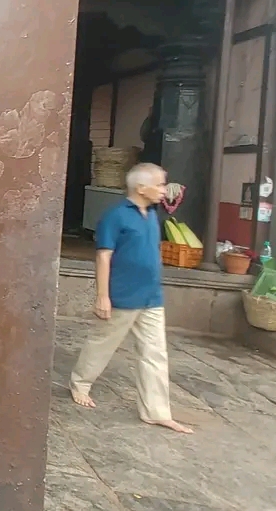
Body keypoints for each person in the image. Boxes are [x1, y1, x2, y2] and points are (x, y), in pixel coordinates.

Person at [69, 162, 193, 434]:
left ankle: (156, 412)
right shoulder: (115, 216)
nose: (164, 190)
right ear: (141, 187)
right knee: (102, 343)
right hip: (123, 295)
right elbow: (103, 256)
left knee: (155, 354)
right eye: (159, 184)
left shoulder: (152, 215)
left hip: (151, 296)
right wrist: (103, 296)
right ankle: (80, 383)